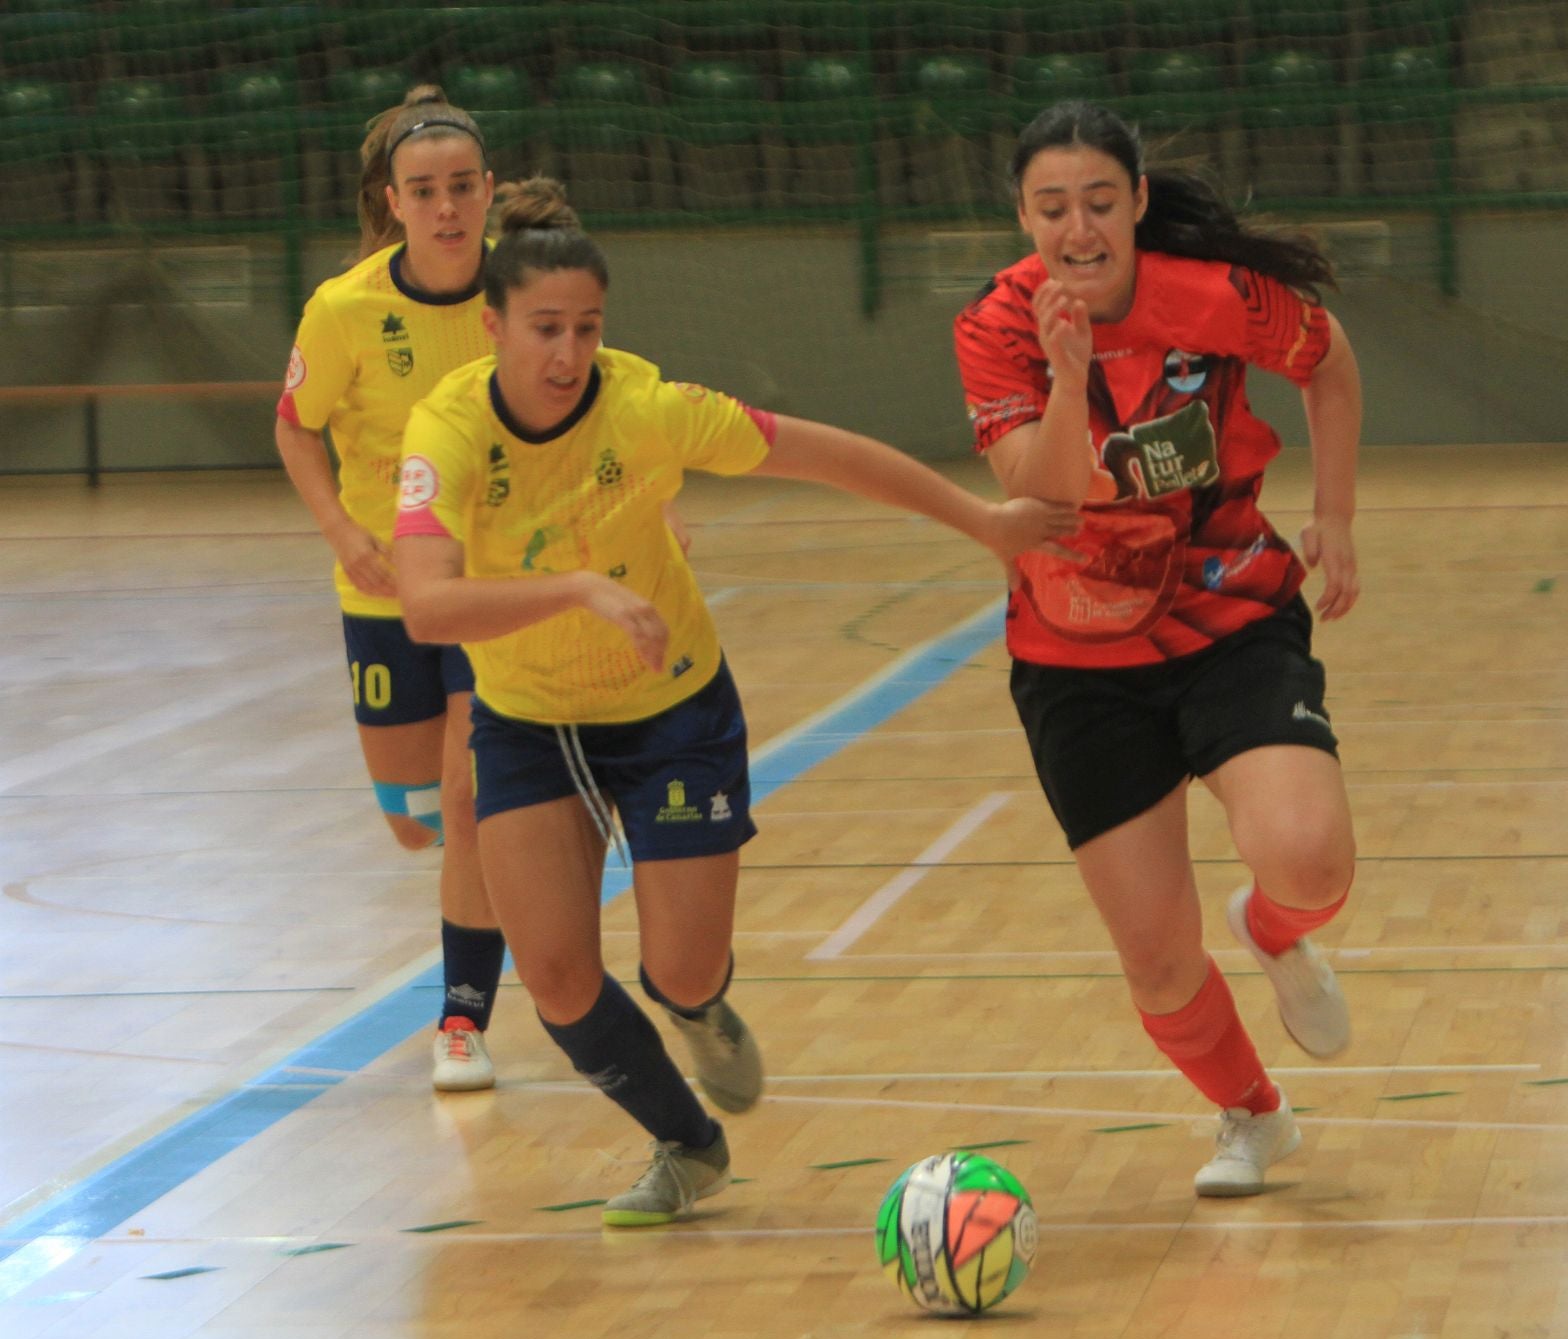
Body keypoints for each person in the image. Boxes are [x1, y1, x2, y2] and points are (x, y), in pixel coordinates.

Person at [390, 177, 1077, 1225]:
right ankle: (687, 1144)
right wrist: (576, 588)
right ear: (492, 328)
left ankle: (698, 1003)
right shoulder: (445, 433)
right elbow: (427, 607)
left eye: (586, 327)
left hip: (670, 710)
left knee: (680, 963)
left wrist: (982, 521)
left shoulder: (649, 408)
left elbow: (826, 454)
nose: (567, 352)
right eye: (543, 329)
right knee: (561, 978)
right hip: (529, 721)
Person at [953, 100, 1364, 1197]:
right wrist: (1072, 374)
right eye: (1052, 208)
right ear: (1022, 216)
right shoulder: (998, 326)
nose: (1077, 228)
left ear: (1137, 202)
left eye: (1099, 201)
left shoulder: (1212, 299)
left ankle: (1275, 931)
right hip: (1076, 656)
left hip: (1227, 612)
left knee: (1310, 857)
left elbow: (1326, 359)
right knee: (1158, 955)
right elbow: (1038, 489)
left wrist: (1335, 512)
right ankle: (1251, 1112)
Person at [274, 88, 692, 1095]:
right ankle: (452, 888)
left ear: (489, 191)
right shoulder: (343, 310)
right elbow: (295, 423)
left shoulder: (516, 297)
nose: (449, 208)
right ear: (395, 201)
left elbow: (591, 405)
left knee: (467, 800)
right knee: (413, 813)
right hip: (382, 590)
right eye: (427, 192)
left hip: (489, 588)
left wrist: (648, 515)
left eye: (464, 187)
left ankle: (461, 1018)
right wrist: (342, 527)